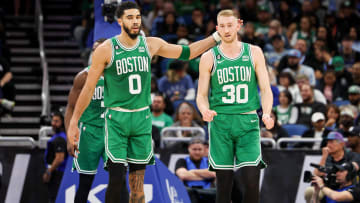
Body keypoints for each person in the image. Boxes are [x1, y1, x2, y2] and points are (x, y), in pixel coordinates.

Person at [67, 2, 222, 203]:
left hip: (141, 118)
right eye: (130, 17)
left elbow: (188, 52)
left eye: (138, 17)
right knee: (116, 178)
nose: (135, 22)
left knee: (137, 186)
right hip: (117, 119)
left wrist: (216, 37)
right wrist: (73, 123)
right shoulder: (106, 49)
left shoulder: (151, 44)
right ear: (120, 20)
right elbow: (88, 90)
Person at [196, 9, 274, 203]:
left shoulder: (254, 52)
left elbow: (265, 89)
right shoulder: (208, 57)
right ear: (217, 28)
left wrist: (267, 113)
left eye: (230, 25)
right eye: (222, 26)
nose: (226, 29)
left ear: (238, 25)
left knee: (251, 180)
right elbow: (201, 95)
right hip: (220, 122)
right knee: (223, 185)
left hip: (247, 121)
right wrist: (204, 109)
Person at [64, 38, 129, 203]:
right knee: (85, 183)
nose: (96, 52)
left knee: (119, 179)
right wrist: (69, 136)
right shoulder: (83, 77)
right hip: (89, 132)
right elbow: (70, 108)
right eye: (94, 49)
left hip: (113, 132)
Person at [175, 138, 216, 203]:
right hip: (189, 192)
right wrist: (206, 175)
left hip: (208, 193)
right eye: (194, 149)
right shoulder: (182, 161)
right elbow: (182, 175)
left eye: (200, 149)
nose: (197, 152)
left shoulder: (209, 162)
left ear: (204, 150)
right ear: (189, 149)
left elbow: (214, 174)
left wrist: (192, 172)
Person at [43, 112, 68, 203]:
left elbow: (59, 158)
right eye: (53, 121)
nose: (53, 123)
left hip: (58, 174)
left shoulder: (60, 139)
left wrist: (49, 172)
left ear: (62, 123)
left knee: (55, 198)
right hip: (57, 174)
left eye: (56, 121)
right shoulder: (58, 137)